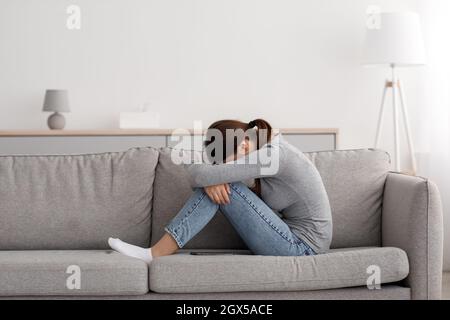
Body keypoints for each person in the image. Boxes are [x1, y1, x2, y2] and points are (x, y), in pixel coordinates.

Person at [108, 119, 332, 264]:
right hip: (288, 238)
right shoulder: (265, 150)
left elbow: (198, 176)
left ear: (244, 144)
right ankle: (155, 253)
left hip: (303, 249)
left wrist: (214, 178)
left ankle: (154, 254)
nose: (228, 169)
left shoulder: (273, 157)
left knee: (228, 185)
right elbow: (200, 174)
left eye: (227, 163)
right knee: (222, 183)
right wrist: (212, 179)